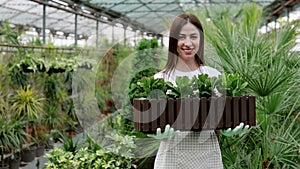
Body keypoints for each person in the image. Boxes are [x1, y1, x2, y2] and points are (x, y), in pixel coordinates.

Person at [148, 14, 249, 169]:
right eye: (182, 36)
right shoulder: (160, 79)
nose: (188, 43)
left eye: (193, 36)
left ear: (200, 40)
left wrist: (229, 127)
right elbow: (149, 118)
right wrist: (153, 131)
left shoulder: (213, 75)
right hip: (171, 159)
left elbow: (222, 114)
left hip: (207, 157)